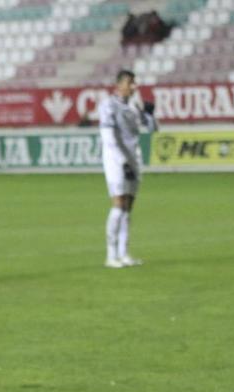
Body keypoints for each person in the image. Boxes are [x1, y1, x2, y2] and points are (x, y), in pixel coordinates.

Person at [98, 69, 158, 268]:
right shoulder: (108, 105)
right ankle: (111, 255)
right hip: (116, 161)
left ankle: (124, 254)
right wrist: (122, 162)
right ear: (119, 85)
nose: (134, 86)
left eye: (134, 83)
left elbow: (152, 129)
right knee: (118, 203)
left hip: (133, 159)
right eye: (130, 83)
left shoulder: (132, 106)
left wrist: (149, 114)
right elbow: (108, 138)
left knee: (128, 208)